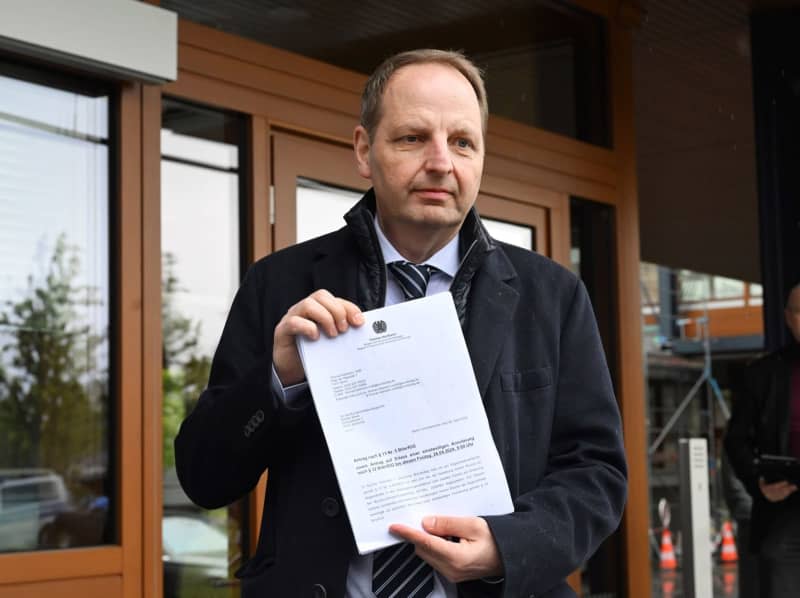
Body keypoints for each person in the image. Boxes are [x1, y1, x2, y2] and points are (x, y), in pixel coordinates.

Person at [175, 49, 627, 598]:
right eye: (413, 137)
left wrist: (508, 546)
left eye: (462, 141)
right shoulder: (282, 285)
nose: (441, 162)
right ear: (365, 151)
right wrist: (278, 379)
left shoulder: (553, 296)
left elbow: (596, 473)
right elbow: (204, 477)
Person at [726, 282, 800, 597]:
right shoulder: (762, 374)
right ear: (787, 317)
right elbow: (736, 440)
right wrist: (759, 484)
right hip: (785, 506)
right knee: (775, 558)